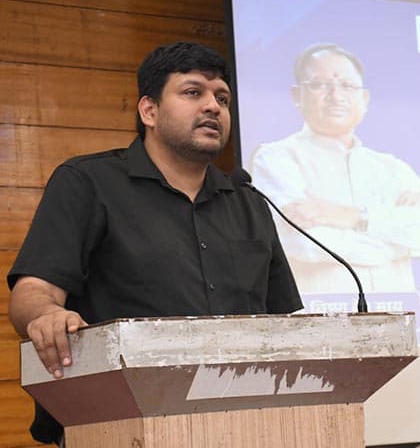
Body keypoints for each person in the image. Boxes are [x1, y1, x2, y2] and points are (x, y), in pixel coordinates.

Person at [7, 42, 302, 445]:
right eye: (193, 92)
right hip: (116, 423)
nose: (213, 107)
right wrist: (46, 315)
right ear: (149, 111)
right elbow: (33, 291)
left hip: (247, 423)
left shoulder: (249, 201)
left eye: (222, 98)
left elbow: (286, 323)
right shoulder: (88, 183)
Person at [251, 43, 420, 294]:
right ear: (297, 96)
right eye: (320, 85)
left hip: (397, 312)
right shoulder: (276, 158)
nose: (336, 96)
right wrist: (396, 242)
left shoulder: (391, 168)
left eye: (347, 86)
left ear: (364, 99)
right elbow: (300, 241)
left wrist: (355, 217)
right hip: (324, 312)